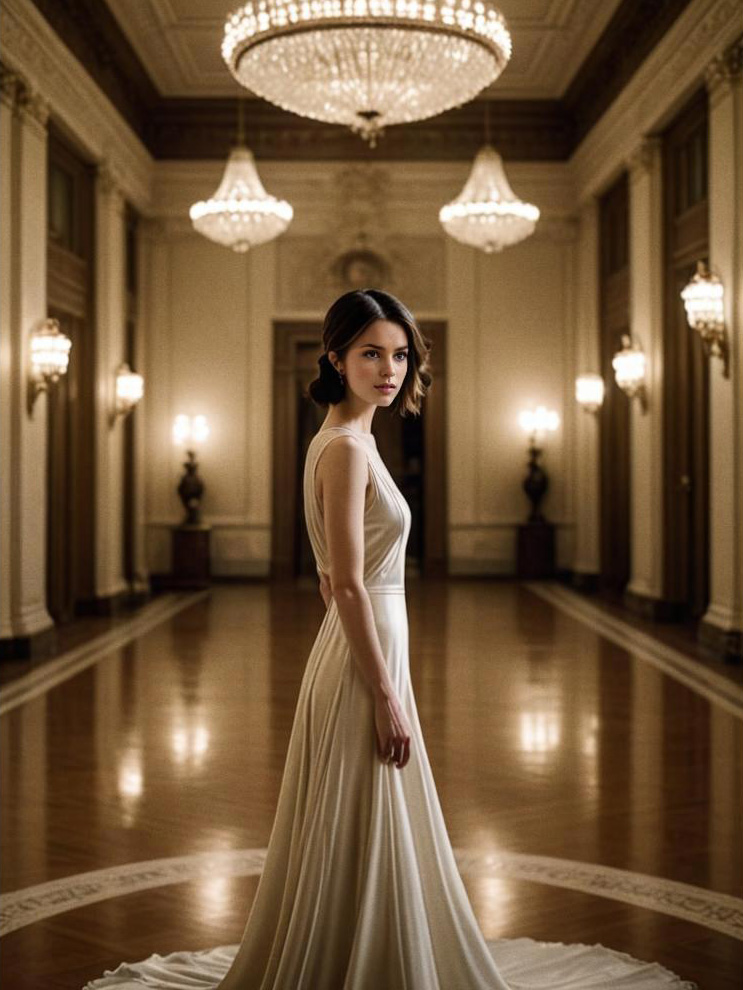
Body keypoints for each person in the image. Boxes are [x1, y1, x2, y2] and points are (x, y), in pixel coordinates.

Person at [85, 289, 696, 989]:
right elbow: (344, 584)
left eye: (400, 354)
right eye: (371, 352)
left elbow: (329, 581)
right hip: (361, 662)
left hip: (363, 649)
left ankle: (364, 954)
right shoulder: (344, 449)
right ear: (335, 357)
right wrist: (380, 692)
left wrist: (378, 668)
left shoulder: (347, 440)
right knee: (364, 812)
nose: (389, 368)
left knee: (366, 818)